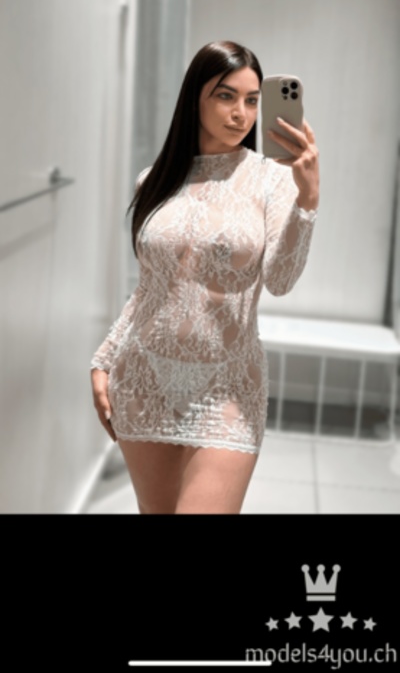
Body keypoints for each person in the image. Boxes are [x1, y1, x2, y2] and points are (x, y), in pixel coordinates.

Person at [90, 40, 319, 514]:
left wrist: (307, 200)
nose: (241, 114)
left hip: (228, 387)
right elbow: (150, 288)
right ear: (195, 97)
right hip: (143, 379)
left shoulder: (274, 179)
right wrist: (103, 359)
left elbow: (280, 280)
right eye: (225, 96)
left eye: (252, 100)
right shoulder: (153, 180)